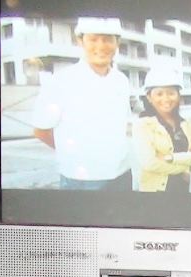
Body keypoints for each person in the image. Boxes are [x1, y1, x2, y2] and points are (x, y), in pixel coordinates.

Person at [32, 17, 132, 190]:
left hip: (122, 174)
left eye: (108, 39)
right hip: (82, 180)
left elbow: (124, 126)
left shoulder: (121, 80)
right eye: (93, 39)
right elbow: (41, 130)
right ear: (80, 41)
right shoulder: (61, 80)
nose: (101, 46)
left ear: (117, 43)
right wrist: (74, 155)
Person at [133, 62, 191, 193]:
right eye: (159, 94)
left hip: (182, 191)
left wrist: (171, 158)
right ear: (149, 97)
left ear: (178, 95)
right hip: (155, 193)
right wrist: (184, 167)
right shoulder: (143, 125)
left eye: (171, 93)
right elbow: (149, 163)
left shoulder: (186, 124)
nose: (166, 98)